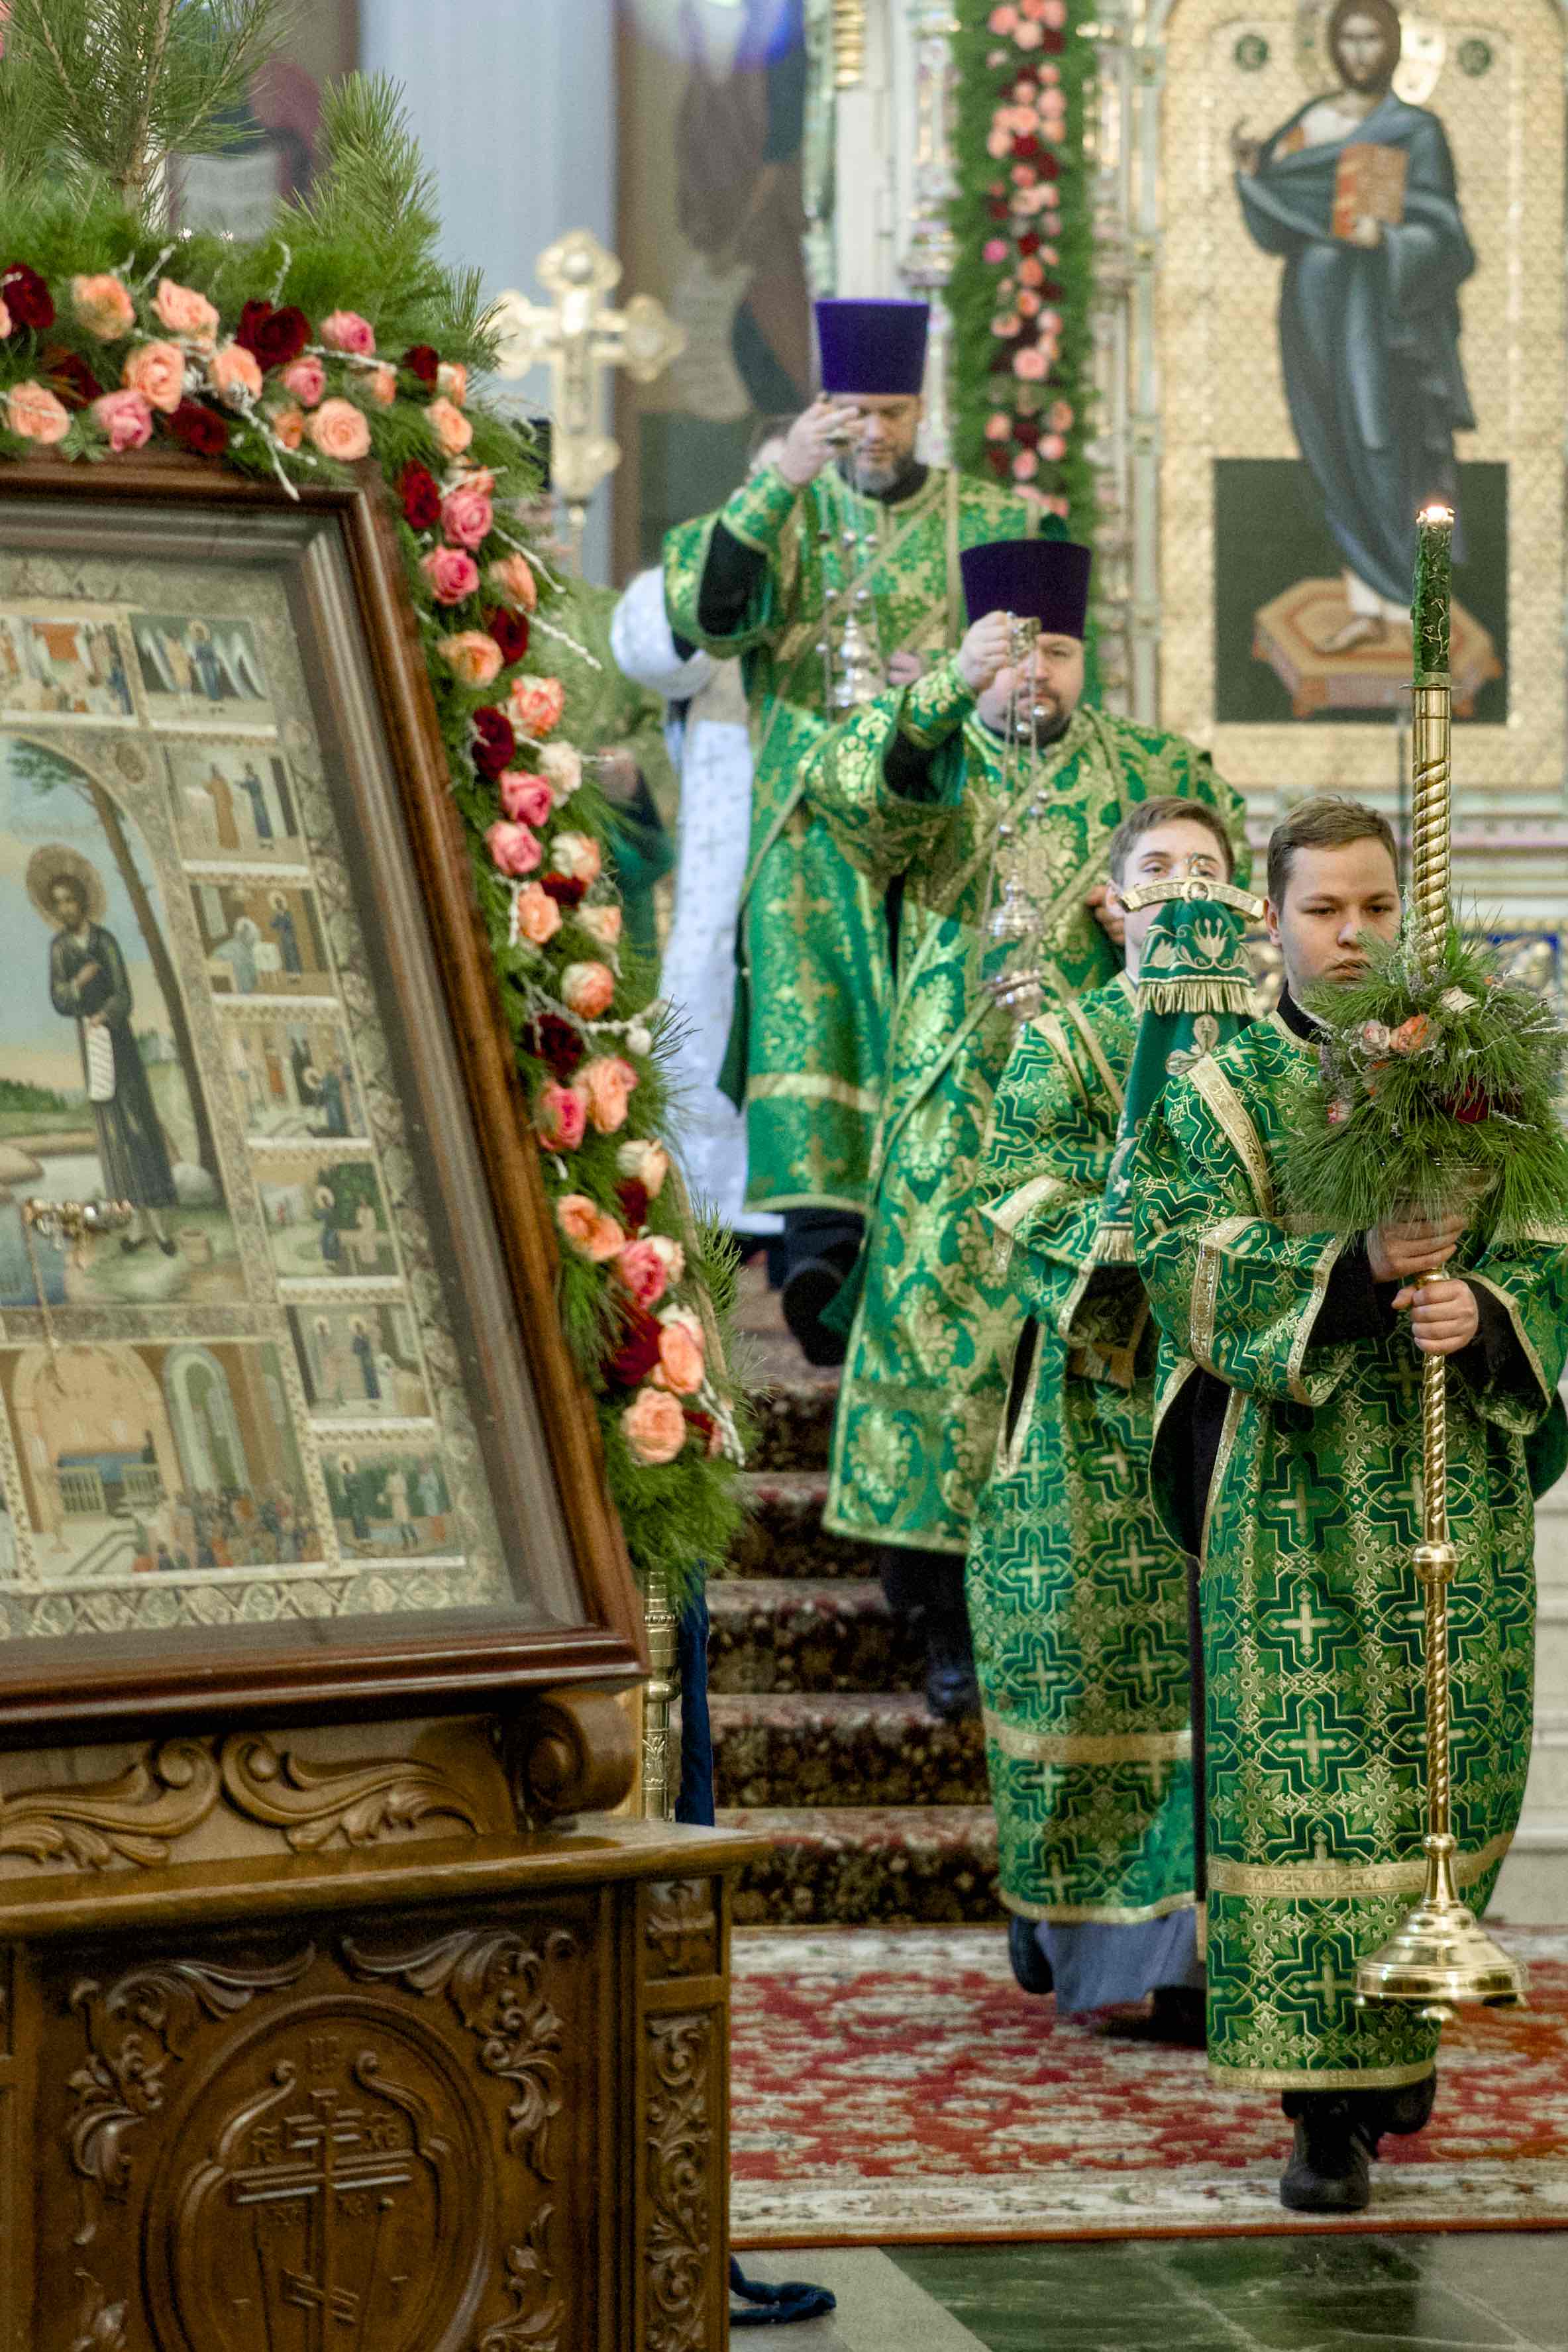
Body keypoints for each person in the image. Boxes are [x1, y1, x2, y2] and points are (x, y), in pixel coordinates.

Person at [1133, 795, 1568, 2212]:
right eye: (1321, 909)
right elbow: (1175, 1256)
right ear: (1270, 920)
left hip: (1453, 1497)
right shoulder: (1219, 1089)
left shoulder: (1479, 1075)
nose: (1352, 934)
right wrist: (1355, 1268)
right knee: (1309, 1799)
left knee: (1445, 1770)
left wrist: (1485, 1308)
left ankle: (1398, 2042)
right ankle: (1320, 2113)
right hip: (1292, 1497)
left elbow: (1551, 1247)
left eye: (1376, 906)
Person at [802, 536, 1248, 1717]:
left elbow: (1223, 887)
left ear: (1083, 657)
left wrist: (1146, 921)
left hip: (1100, 1112)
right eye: (1007, 653)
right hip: (952, 1111)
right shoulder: (933, 752)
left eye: (1053, 650)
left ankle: (1096, 1619)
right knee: (941, 1353)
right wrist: (941, 693)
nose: (1031, 673)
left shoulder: (1152, 768)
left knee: (1068, 1360)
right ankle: (939, 1624)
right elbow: (843, 798)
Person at [664, 298, 1042, 1362]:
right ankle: (817, 1257)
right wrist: (782, 473)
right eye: (853, 411)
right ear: (823, 407)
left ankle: (933, 1254)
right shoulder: (786, 506)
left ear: (920, 409)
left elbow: (1044, 663)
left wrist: (965, 680)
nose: (873, 432)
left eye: (892, 411)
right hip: (806, 825)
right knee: (814, 1020)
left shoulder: (985, 517)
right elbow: (706, 613)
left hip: (938, 812)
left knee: (927, 1018)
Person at [967, 802, 1255, 2033]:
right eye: (1156, 868)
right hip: (1096, 1404)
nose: (1182, 888)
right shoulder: (1064, 1042)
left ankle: (1214, 1956)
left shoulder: (1274, 1051)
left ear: (1247, 907)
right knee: (1096, 1671)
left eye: (1208, 869)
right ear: (1112, 903)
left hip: (1242, 1400)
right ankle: (1088, 1936)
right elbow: (1016, 1191)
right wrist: (1134, 1236)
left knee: (1235, 1681)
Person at [1232, 0, 1475, 652]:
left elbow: (1448, 238)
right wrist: (1254, 174)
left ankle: (1415, 605)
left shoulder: (1415, 130)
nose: (1360, 52)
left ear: (1393, 46)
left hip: (1382, 321)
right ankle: (1367, 605)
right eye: (1349, 39)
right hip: (1312, 318)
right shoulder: (1309, 124)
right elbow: (1277, 220)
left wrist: (1388, 239)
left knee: (1383, 442)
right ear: (1331, 47)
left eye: (1372, 39)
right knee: (1329, 446)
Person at [611, 425, 792, 1244]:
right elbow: (654, 648)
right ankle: (710, 1210)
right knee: (710, 998)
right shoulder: (711, 579)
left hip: (828, 864)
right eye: (772, 485)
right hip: (723, 866)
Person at [35, 855, 178, 1257]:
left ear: (83, 902)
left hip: (119, 1039)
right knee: (112, 1130)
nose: (65, 909)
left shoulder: (106, 941)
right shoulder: (60, 948)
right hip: (92, 1043)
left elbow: (124, 994)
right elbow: (59, 999)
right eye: (58, 903)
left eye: (70, 900)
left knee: (139, 1125)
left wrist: (105, 1015)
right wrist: (79, 986)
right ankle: (135, 1224)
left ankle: (159, 1225)